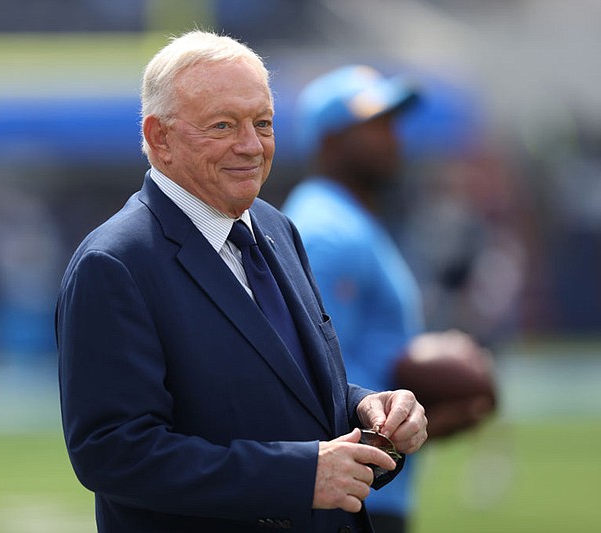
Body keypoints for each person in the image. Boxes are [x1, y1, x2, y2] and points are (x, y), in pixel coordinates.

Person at [55, 32, 428, 533]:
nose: (251, 146)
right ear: (159, 137)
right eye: (223, 125)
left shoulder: (276, 227)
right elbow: (113, 453)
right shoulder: (114, 262)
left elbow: (289, 384)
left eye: (263, 123)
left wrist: (367, 407)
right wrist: (297, 475)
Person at [282, 65, 496, 533]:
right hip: (349, 496)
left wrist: (422, 416)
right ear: (330, 141)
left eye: (393, 124)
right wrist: (426, 421)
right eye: (374, 126)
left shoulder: (352, 221)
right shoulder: (324, 231)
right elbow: (312, 376)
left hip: (368, 488)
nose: (393, 138)